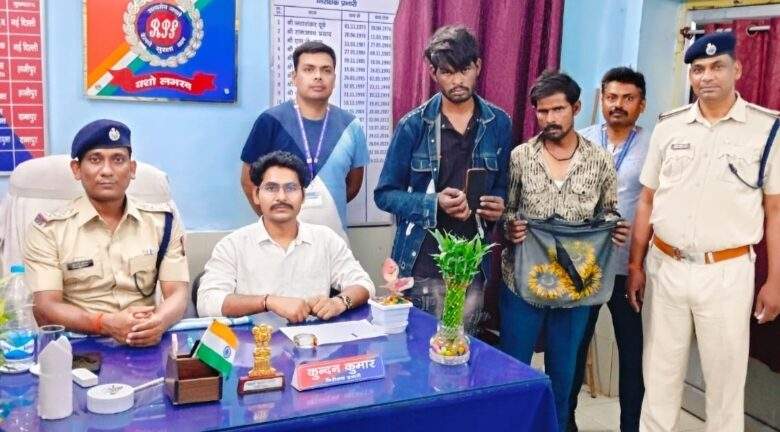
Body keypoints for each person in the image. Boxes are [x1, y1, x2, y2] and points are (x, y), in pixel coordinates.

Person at [627, 32, 780, 432]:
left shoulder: (767, 129)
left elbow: (775, 211)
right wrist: (636, 264)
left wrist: (775, 281)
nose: (706, 76)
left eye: (717, 67)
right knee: (658, 377)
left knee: (725, 385)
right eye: (698, 69)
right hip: (666, 266)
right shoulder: (669, 126)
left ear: (737, 69)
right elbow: (647, 199)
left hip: (726, 272)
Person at [500, 71, 629, 432]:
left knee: (563, 374)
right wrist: (511, 227)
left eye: (558, 109)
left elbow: (608, 211)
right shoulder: (520, 156)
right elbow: (507, 209)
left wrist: (615, 228)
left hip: (576, 285)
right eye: (542, 111)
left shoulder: (600, 160)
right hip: (522, 279)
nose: (550, 118)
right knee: (513, 371)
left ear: (576, 108)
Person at [374, 25, 511, 335]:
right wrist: (433, 203)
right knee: (418, 353)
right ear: (433, 72)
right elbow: (384, 194)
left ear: (478, 66)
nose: (458, 80)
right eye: (448, 72)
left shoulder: (498, 123)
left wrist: (498, 205)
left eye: (464, 70)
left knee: (461, 350)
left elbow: (502, 184)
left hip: (471, 265)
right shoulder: (414, 125)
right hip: (422, 263)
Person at [24, 119, 189, 347]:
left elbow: (178, 293)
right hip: (82, 347)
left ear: (132, 169)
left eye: (118, 160)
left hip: (146, 341)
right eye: (95, 159)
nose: (107, 171)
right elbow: (46, 307)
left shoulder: (162, 222)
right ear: (76, 169)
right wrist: (103, 323)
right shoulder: (48, 230)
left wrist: (158, 322)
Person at [198, 151, 374, 321]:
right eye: (271, 188)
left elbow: (364, 284)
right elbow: (207, 302)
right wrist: (268, 302)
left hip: (311, 338)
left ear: (303, 196)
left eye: (291, 188)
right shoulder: (233, 245)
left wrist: (340, 302)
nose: (281, 197)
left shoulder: (326, 239)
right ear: (256, 195)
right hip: (256, 339)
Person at [569, 67, 649, 432]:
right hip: (583, 267)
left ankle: (631, 426)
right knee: (573, 349)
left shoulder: (653, 145)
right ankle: (565, 422)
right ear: (602, 99)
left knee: (632, 353)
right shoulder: (580, 141)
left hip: (627, 269)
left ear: (641, 104)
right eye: (612, 97)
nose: (618, 105)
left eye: (628, 98)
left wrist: (639, 264)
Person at [240, 41, 369, 242]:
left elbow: (353, 186)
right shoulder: (270, 121)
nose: (318, 76)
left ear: (334, 79)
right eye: (309, 69)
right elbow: (248, 181)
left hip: (334, 241)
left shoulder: (351, 126)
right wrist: (274, 222)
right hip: (280, 243)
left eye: (326, 70)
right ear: (295, 77)